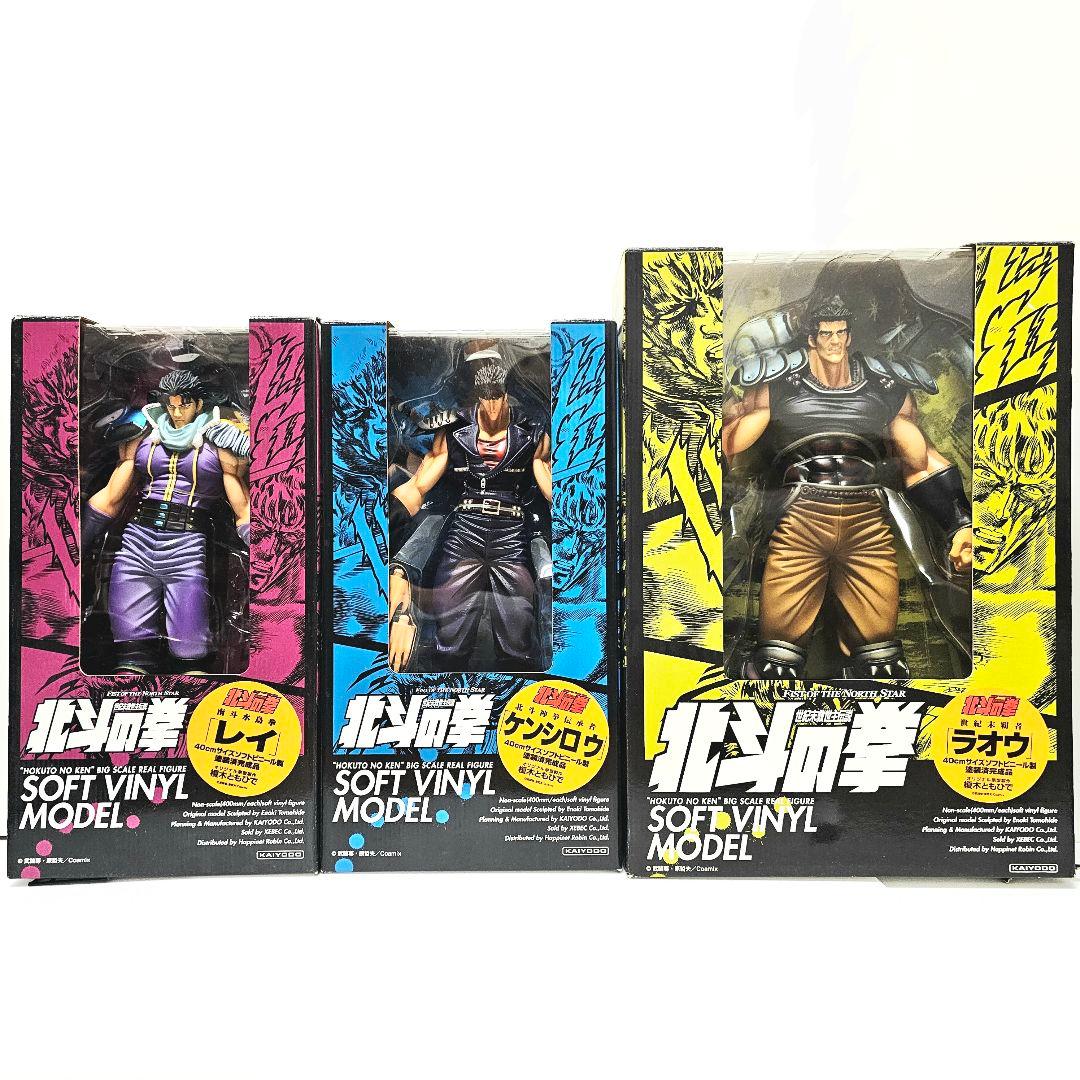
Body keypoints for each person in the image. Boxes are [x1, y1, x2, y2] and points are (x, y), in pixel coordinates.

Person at [723, 295, 973, 679]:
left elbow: (921, 461)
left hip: (866, 521)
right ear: (811, 338)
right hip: (802, 519)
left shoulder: (886, 385)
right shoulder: (776, 383)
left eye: (840, 333)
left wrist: (959, 523)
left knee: (882, 665)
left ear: (850, 336)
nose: (835, 341)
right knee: (775, 664)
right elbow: (728, 445)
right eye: (826, 334)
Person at [388, 347, 551, 672]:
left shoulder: (531, 433)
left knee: (518, 622)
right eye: (485, 397)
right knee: (450, 620)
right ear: (477, 396)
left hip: (511, 532)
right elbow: (419, 485)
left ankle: (520, 682)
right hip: (465, 530)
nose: (492, 406)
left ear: (506, 396)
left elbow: (550, 484)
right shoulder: (453, 431)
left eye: (497, 397)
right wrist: (386, 518)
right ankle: (442, 681)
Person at [82, 369, 251, 673]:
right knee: (130, 645)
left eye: (184, 405)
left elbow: (241, 504)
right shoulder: (142, 433)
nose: (177, 412)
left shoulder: (221, 438)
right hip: (136, 542)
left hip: (186, 547)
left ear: (198, 404)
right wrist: (79, 538)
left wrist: (261, 544)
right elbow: (112, 494)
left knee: (189, 645)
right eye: (171, 405)